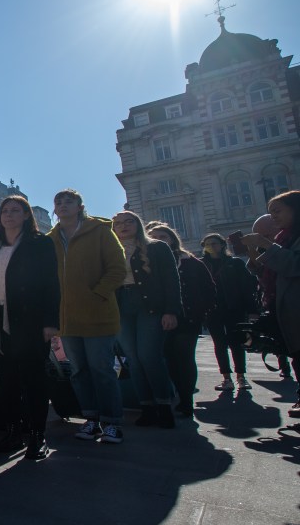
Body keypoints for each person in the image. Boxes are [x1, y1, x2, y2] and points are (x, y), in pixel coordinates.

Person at [0, 195, 60, 460]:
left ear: (26, 215)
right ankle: (14, 430)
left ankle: (37, 434)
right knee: (8, 380)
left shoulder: (40, 243)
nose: (8, 215)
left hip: (30, 319)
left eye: (15, 210)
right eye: (4, 211)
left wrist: (50, 322)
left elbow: (51, 283)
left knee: (34, 379)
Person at [48, 189, 127, 444]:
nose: (63, 205)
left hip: (98, 314)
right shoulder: (50, 239)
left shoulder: (101, 230)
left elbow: (117, 268)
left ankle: (112, 422)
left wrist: (98, 294)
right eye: (58, 202)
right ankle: (91, 419)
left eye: (68, 201)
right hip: (67, 318)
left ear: (80, 206)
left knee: (101, 369)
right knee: (79, 371)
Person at [111, 211, 183, 428]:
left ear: (138, 224)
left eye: (129, 222)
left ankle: (164, 406)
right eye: (118, 223)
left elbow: (172, 280)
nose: (123, 226)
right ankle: (147, 407)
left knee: (149, 356)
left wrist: (171, 310)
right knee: (133, 359)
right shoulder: (111, 250)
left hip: (150, 305)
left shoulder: (157, 247)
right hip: (121, 305)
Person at [147, 221, 216, 418]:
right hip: (157, 319)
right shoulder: (144, 264)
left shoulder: (190, 262)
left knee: (184, 357)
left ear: (172, 239)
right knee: (168, 359)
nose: (159, 241)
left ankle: (186, 399)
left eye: (163, 237)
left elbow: (209, 289)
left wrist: (200, 312)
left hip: (187, 318)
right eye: (154, 237)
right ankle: (176, 393)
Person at [242, 191, 300, 417]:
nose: (273, 216)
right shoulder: (284, 238)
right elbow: (268, 274)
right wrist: (255, 252)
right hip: (284, 307)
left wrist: (266, 245)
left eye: (277, 211)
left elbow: (293, 265)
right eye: (270, 212)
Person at [200, 233, 257, 392]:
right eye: (208, 244)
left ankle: (241, 377)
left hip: (234, 308)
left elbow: (246, 288)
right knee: (219, 344)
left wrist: (252, 310)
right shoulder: (202, 264)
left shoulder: (235, 263)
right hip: (212, 310)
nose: (211, 246)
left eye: (214, 243)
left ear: (222, 245)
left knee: (236, 342)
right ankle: (226, 377)